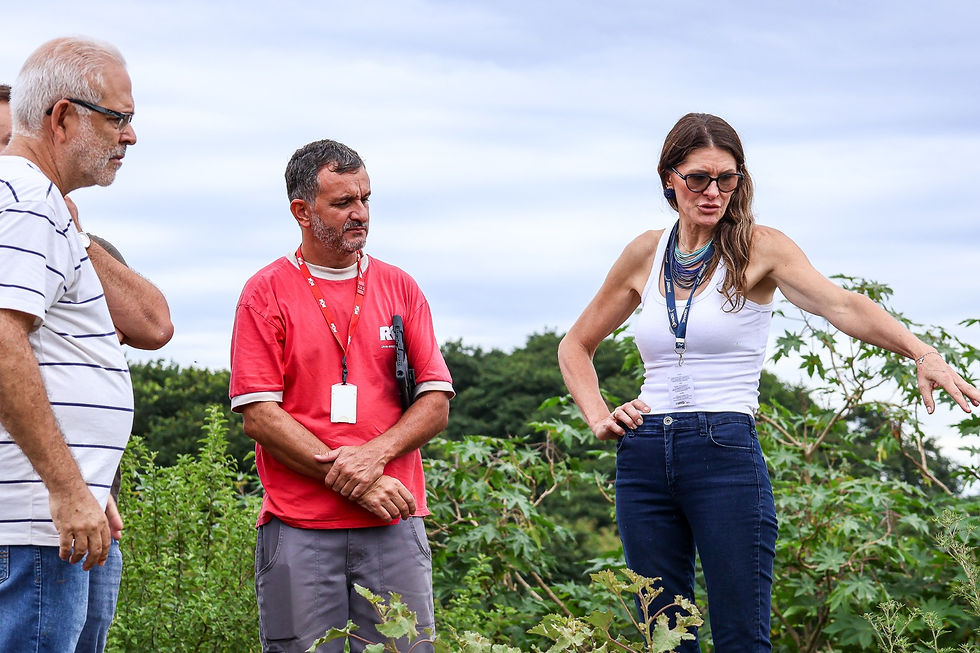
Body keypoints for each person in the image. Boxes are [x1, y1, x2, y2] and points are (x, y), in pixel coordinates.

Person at [557, 112, 980, 652]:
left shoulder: (760, 246)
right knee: (664, 638)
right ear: (669, 177)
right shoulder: (647, 251)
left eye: (727, 179)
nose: (714, 192)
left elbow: (841, 305)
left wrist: (922, 352)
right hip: (642, 455)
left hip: (724, 450)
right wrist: (598, 417)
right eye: (698, 179)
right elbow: (576, 345)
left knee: (740, 638)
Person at [230, 139, 454, 653]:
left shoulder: (401, 286)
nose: (360, 214)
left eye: (366, 199)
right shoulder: (264, 292)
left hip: (393, 518)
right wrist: (357, 482)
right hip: (300, 526)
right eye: (343, 203)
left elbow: (435, 403)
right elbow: (260, 416)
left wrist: (372, 458)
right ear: (301, 211)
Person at [0, 37, 172, 652]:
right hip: (35, 529)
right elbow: (1, 343)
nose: (130, 136)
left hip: (51, 522)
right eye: (119, 118)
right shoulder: (24, 202)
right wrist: (68, 489)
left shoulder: (47, 208)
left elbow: (152, 324)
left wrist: (88, 483)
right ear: (64, 117)